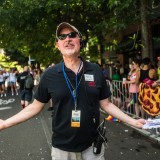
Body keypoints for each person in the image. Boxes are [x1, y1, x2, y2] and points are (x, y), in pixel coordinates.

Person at [0, 22, 145, 160]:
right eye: (62, 37)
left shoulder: (95, 70)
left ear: (80, 41)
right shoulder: (50, 74)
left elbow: (106, 104)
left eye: (72, 35)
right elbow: (34, 107)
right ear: (58, 45)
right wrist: (6, 123)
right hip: (62, 149)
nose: (67, 39)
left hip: (92, 146)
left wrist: (133, 121)